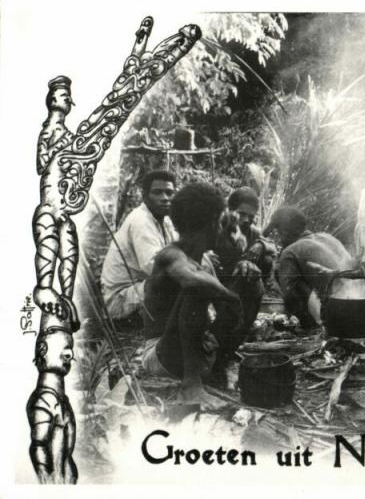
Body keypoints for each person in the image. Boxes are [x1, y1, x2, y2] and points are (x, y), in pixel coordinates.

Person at [140, 183, 248, 406]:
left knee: (250, 282)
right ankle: (191, 386)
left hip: (192, 350)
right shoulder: (170, 255)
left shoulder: (205, 259)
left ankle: (219, 363)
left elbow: (222, 307)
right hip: (161, 357)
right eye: (219, 224)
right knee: (197, 288)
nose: (221, 229)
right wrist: (231, 297)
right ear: (211, 224)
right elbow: (190, 279)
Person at [101, 170, 178, 320]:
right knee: (173, 277)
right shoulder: (141, 221)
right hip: (119, 300)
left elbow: (177, 249)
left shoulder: (165, 220)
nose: (164, 198)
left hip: (138, 289)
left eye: (169, 193)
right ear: (145, 196)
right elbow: (154, 267)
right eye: (157, 192)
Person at [267, 206, 353, 328]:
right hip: (359, 306)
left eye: (279, 233)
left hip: (337, 314)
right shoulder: (327, 237)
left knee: (279, 270)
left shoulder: (291, 251)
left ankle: (311, 325)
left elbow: (289, 294)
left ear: (284, 233)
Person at [215, 186, 277, 286]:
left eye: (251, 216)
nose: (246, 220)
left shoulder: (253, 232)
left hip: (239, 281)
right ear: (230, 210)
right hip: (215, 279)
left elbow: (273, 248)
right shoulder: (217, 227)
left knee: (267, 259)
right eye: (242, 214)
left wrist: (260, 245)